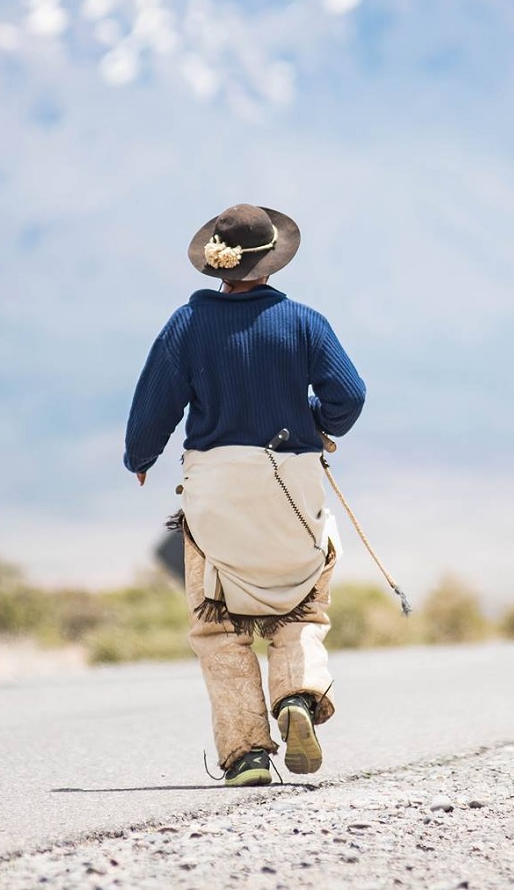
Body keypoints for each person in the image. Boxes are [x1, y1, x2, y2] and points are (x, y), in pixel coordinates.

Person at [124, 203, 366, 787]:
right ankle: (299, 699)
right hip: (292, 484)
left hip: (216, 490)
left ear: (216, 262)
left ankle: (248, 754)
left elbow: (155, 403)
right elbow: (350, 394)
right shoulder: (304, 322)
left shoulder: (186, 325)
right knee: (301, 607)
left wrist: (140, 457)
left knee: (219, 627)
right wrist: (313, 419)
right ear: (273, 260)